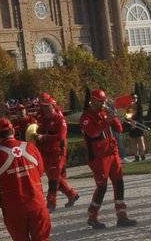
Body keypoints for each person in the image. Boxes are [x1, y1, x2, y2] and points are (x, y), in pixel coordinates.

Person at [80, 89, 137, 229]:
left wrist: (113, 115)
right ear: (92, 101)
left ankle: (122, 216)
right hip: (98, 157)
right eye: (100, 101)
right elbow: (93, 133)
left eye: (103, 101)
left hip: (112, 153)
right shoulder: (86, 117)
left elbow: (119, 128)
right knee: (102, 187)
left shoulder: (105, 113)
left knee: (119, 183)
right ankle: (92, 216)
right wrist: (107, 120)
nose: (102, 104)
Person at [34, 95, 82, 208]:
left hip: (57, 151)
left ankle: (51, 203)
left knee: (54, 177)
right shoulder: (44, 119)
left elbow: (61, 136)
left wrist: (44, 137)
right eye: (43, 106)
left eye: (47, 106)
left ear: (53, 106)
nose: (45, 109)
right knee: (53, 176)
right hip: (46, 152)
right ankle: (72, 194)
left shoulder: (60, 119)